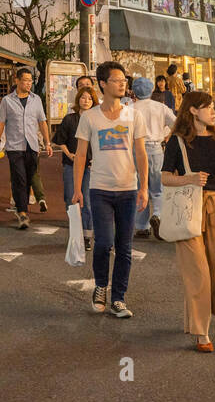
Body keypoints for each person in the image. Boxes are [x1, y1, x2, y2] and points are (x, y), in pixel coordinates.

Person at [161, 90, 215, 351]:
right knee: (198, 272)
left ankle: (193, 319)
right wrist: (189, 178)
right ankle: (201, 333)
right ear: (193, 110)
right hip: (188, 208)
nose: (214, 111)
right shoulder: (178, 141)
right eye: (208, 107)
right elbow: (164, 177)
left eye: (213, 107)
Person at [72, 61, 147, 318]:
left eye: (124, 80)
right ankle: (101, 286)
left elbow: (141, 153)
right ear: (103, 84)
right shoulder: (89, 117)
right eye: (117, 80)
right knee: (103, 243)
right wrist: (77, 189)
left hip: (128, 189)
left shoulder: (133, 114)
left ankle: (119, 298)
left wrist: (144, 187)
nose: (122, 83)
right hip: (100, 189)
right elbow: (81, 155)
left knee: (124, 247)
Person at [0, 67, 52, 229]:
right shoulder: (7, 101)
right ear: (17, 81)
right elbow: (0, 124)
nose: (28, 83)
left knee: (28, 178)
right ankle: (23, 213)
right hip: (14, 146)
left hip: (32, 145)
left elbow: (42, 122)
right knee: (19, 178)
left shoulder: (36, 100)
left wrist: (47, 142)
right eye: (25, 80)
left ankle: (22, 208)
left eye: (30, 80)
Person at [130, 76, 176, 239]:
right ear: (151, 90)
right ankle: (157, 214)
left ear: (134, 91)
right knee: (158, 187)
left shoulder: (130, 107)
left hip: (135, 149)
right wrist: (166, 135)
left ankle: (142, 227)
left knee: (139, 187)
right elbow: (175, 125)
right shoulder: (160, 107)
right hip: (156, 148)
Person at [53, 85, 97, 248]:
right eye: (83, 97)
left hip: (90, 166)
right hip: (71, 164)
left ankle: (86, 235)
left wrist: (97, 160)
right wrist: (69, 154)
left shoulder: (96, 119)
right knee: (70, 198)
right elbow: (59, 140)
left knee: (86, 199)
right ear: (78, 99)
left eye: (90, 98)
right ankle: (75, 233)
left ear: (94, 101)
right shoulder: (70, 119)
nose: (86, 101)